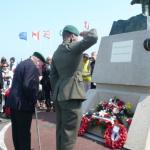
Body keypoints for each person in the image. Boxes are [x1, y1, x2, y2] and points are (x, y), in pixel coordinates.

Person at [50, 25, 98, 150]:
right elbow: (94, 36)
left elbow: (53, 76)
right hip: (72, 94)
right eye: (76, 37)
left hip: (60, 95)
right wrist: (85, 33)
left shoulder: (56, 52)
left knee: (61, 131)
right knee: (69, 134)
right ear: (72, 36)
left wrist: (59, 91)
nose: (78, 39)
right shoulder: (72, 47)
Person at [6, 52, 45, 150]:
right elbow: (28, 86)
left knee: (16, 132)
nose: (40, 67)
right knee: (24, 134)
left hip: (15, 104)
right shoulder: (32, 67)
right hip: (23, 105)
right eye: (41, 64)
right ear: (37, 60)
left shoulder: (22, 64)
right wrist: (34, 99)